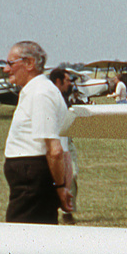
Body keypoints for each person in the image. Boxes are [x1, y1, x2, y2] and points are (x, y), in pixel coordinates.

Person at [2, 41, 71, 254]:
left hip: (34, 180)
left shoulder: (41, 93)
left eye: (10, 63)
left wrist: (60, 187)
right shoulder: (34, 92)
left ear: (30, 63)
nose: (6, 69)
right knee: (41, 250)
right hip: (30, 179)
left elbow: (54, 150)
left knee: (18, 249)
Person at [47, 67, 80, 225]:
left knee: (72, 175)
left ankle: (68, 211)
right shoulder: (50, 98)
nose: (70, 84)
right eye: (67, 81)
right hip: (54, 144)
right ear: (58, 82)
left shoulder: (65, 98)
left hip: (67, 142)